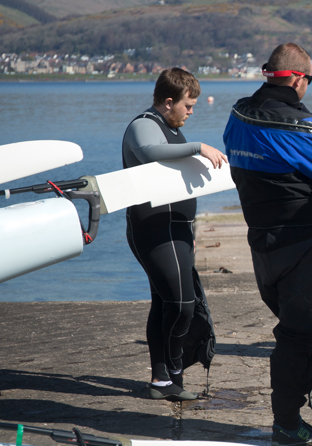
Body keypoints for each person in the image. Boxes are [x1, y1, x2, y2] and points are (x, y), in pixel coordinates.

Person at [223, 43, 312, 446]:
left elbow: (240, 162)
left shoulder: (237, 115)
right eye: (308, 80)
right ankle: (288, 421)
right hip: (306, 243)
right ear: (298, 78)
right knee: (298, 334)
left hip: (261, 244)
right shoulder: (302, 127)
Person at [122, 68, 228, 401]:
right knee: (182, 305)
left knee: (164, 302)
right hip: (152, 230)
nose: (191, 112)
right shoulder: (144, 125)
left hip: (178, 231)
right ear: (169, 102)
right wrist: (198, 147)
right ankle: (175, 371)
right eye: (188, 106)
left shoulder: (172, 128)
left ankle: (160, 381)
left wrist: (191, 230)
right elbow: (149, 153)